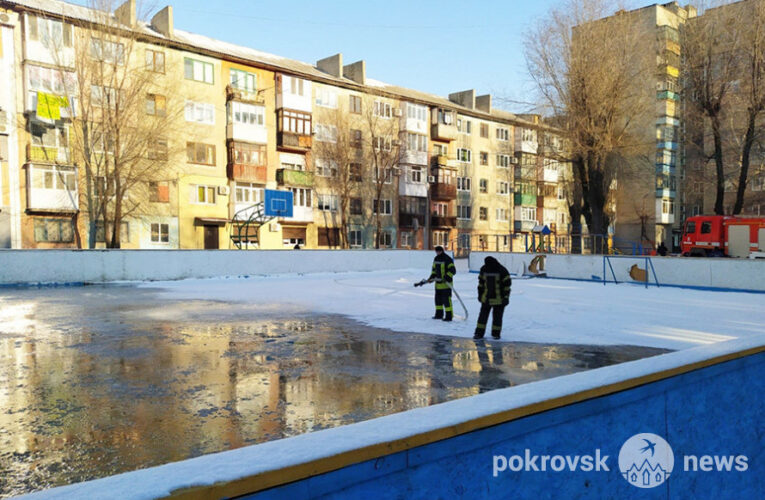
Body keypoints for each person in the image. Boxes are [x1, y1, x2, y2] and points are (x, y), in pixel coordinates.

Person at [474, 256, 511, 340]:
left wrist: (506, 297)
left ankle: (483, 333)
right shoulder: (500, 269)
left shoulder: (499, 270)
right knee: (489, 317)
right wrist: (479, 295)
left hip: (494, 299)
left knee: (489, 317)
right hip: (496, 299)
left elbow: (507, 285)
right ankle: (492, 334)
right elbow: (481, 284)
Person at [429, 246, 456, 321]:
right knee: (438, 301)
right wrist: (431, 278)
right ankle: (439, 315)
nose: (437, 253)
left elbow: (453, 270)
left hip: (446, 284)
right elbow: (434, 270)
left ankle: (449, 316)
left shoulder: (447, 259)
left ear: (442, 251)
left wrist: (446, 277)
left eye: (438, 251)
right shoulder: (436, 258)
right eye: (436, 252)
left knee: (446, 301)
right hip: (438, 284)